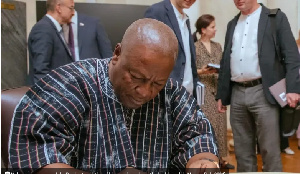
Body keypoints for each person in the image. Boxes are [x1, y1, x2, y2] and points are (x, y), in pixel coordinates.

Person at [9, 18, 219, 174]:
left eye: (157, 83)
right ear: (117, 53)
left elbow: (197, 134)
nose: (145, 91)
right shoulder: (68, 86)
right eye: (136, 77)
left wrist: (203, 161)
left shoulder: (171, 93)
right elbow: (38, 158)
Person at [216, 0, 300, 172]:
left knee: (269, 150)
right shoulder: (233, 23)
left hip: (264, 92)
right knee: (242, 152)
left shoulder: (274, 18)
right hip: (237, 93)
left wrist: (293, 89)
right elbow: (226, 60)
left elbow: (291, 56)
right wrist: (222, 95)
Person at [194, 14, 234, 169]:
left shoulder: (217, 46)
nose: (215, 29)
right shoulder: (195, 47)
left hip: (218, 90)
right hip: (203, 92)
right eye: (212, 27)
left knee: (221, 126)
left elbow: (224, 65)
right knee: (208, 126)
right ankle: (209, 159)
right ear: (203, 30)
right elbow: (191, 70)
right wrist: (202, 71)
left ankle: (222, 159)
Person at [144, 0, 199, 98]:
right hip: (166, 93)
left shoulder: (185, 19)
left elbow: (188, 58)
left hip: (188, 92)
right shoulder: (157, 12)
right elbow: (148, 53)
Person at [27, 0, 75, 85]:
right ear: (59, 8)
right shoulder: (43, 29)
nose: (73, 13)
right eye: (71, 8)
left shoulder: (53, 29)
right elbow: (41, 70)